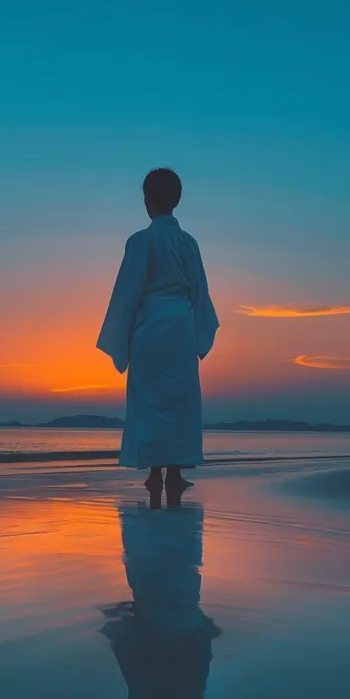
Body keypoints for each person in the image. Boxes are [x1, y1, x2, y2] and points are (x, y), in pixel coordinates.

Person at [97, 168, 219, 495]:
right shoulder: (188, 242)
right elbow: (199, 290)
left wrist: (122, 333)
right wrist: (200, 331)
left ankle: (155, 473)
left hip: (149, 327)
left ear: (147, 199)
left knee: (149, 400)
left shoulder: (140, 241)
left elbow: (127, 292)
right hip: (180, 326)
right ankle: (174, 473)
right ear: (176, 200)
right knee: (179, 400)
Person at [99, 502, 220, 699]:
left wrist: (204, 635)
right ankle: (159, 499)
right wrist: (120, 634)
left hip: (181, 624)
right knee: (156, 563)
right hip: (161, 627)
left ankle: (165, 499)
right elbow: (137, 670)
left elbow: (195, 671)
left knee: (175, 561)